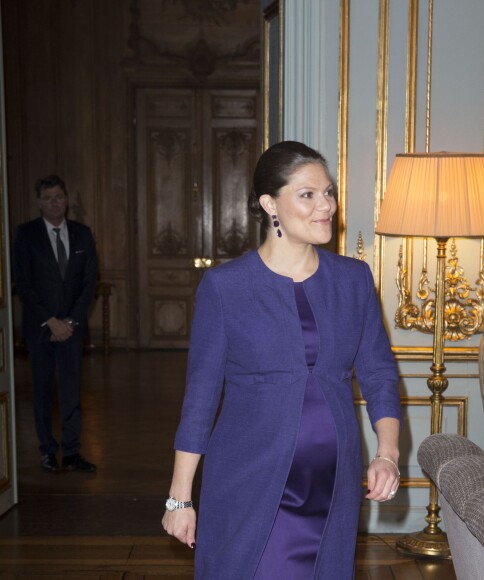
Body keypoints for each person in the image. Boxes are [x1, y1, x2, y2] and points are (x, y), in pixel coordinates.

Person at [162, 141, 402, 579]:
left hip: (332, 476)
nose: (325, 205)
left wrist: (387, 453)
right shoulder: (225, 287)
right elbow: (199, 399)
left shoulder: (353, 280)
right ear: (270, 203)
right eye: (307, 195)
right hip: (249, 477)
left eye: (328, 192)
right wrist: (180, 499)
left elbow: (379, 374)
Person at [13, 175, 98, 473]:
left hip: (72, 329)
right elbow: (22, 284)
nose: (55, 202)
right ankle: (48, 451)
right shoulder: (25, 235)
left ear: (66, 200)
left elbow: (90, 282)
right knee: (43, 391)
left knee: (72, 392)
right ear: (39, 202)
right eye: (48, 198)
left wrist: (71, 320)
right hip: (40, 329)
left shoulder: (82, 234)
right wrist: (50, 321)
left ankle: (72, 452)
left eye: (59, 196)